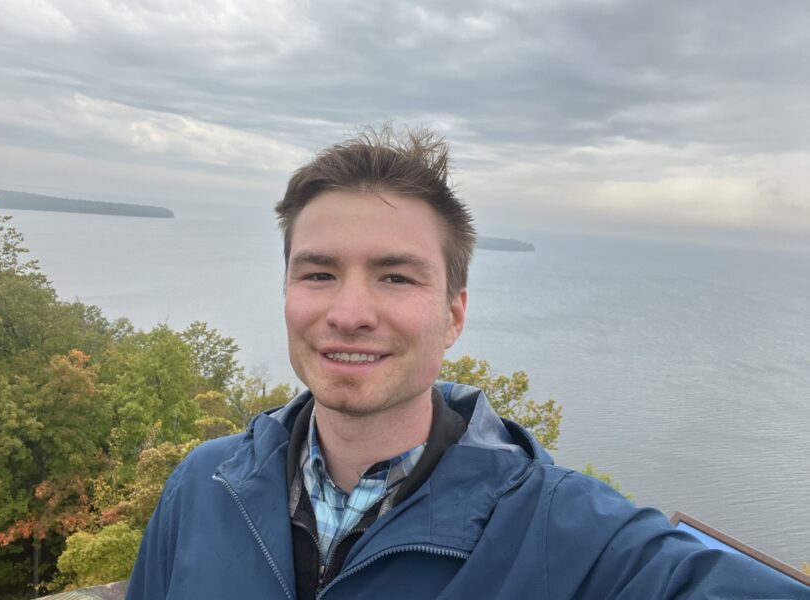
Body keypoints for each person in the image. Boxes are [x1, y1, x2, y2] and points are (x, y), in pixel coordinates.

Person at [126, 127, 807, 599]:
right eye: (319, 274)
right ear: (286, 295)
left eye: (395, 277)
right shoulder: (204, 487)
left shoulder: (559, 529)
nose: (350, 311)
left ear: (454, 314)